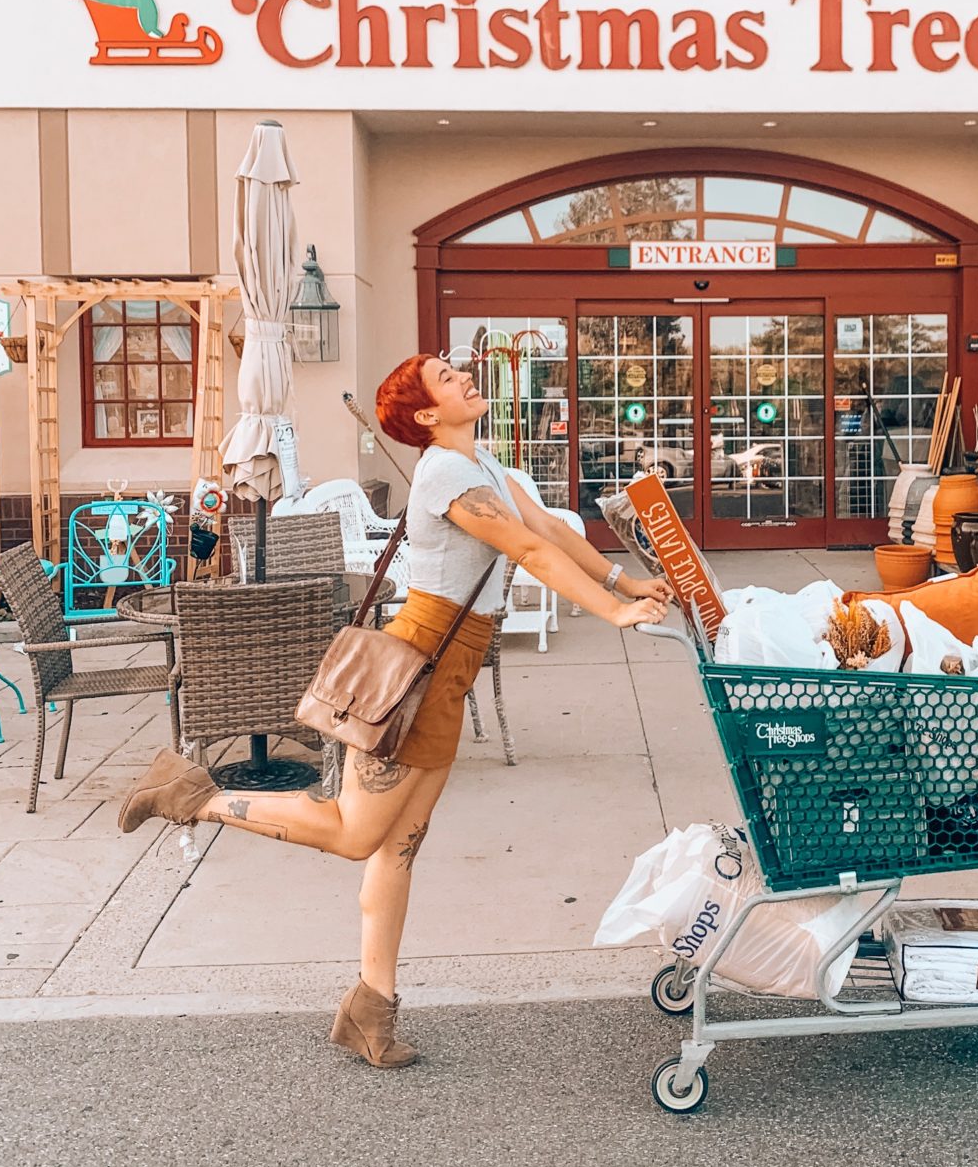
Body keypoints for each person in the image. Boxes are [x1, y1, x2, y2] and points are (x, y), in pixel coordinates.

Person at [118, 353, 670, 1070]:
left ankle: (371, 1009)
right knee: (355, 836)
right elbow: (528, 549)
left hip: (449, 672)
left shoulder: (486, 467)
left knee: (397, 848)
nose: (465, 375)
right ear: (428, 416)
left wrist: (627, 579)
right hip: (417, 670)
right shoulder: (444, 473)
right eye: (446, 378)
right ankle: (193, 794)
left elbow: (554, 532)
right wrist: (612, 612)